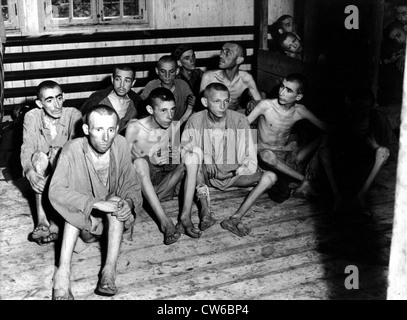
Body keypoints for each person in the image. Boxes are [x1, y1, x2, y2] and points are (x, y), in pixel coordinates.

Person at [49, 104, 143, 300]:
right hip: (82, 227)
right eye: (98, 130)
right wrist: (94, 204)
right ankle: (62, 273)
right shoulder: (72, 149)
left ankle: (109, 271)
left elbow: (131, 183)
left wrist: (128, 203)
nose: (105, 137)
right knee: (74, 209)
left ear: (117, 129)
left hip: (112, 227)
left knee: (117, 201)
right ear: (86, 130)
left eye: (110, 130)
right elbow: (56, 191)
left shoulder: (121, 144)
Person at [181, 83, 277, 237]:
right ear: (205, 102)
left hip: (233, 175)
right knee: (193, 159)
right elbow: (185, 151)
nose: (222, 106)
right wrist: (206, 157)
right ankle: (205, 212)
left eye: (226, 101)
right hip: (207, 175)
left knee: (271, 177)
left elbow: (250, 158)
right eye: (217, 101)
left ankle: (235, 218)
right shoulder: (195, 120)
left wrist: (233, 173)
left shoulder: (239, 120)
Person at [126, 87, 202, 243]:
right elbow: (123, 163)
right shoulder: (134, 127)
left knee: (192, 155)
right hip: (141, 190)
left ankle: (185, 217)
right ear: (150, 109)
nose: (169, 116)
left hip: (163, 187)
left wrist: (169, 155)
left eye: (172, 110)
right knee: (140, 162)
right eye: (163, 111)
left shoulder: (171, 126)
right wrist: (150, 158)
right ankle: (165, 222)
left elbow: (174, 156)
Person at [247, 74, 332, 205]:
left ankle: (293, 178)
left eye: (289, 90)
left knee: (320, 140)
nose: (282, 93)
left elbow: (327, 129)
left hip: (285, 152)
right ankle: (305, 180)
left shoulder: (300, 111)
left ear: (298, 97)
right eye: (282, 87)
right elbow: (243, 124)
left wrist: (315, 158)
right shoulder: (266, 105)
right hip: (263, 151)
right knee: (267, 156)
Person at [21, 80, 82, 246]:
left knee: (57, 152)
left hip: (67, 176)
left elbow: (76, 152)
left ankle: (56, 220)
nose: (56, 105)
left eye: (59, 98)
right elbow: (27, 147)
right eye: (49, 100)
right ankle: (42, 220)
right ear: (40, 103)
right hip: (43, 173)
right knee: (39, 157)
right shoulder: (32, 116)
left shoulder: (73, 114)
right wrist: (30, 172)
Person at [330, 87, 394, 217]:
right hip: (346, 164)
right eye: (351, 109)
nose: (355, 114)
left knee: (383, 152)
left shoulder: (379, 120)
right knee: (325, 153)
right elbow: (331, 143)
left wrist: (374, 145)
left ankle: (361, 197)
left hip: (369, 164)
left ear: (369, 108)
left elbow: (391, 150)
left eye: (361, 110)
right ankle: (338, 198)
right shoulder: (344, 118)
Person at [199, 42, 262, 115]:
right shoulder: (209, 77)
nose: (221, 56)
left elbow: (259, 104)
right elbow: (200, 107)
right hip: (212, 117)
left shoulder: (245, 78)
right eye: (221, 51)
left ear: (239, 60)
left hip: (233, 115)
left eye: (227, 52)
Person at [80, 64, 143, 135]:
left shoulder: (137, 102)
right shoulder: (97, 100)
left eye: (127, 81)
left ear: (133, 83)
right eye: (117, 79)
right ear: (112, 79)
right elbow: (81, 126)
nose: (121, 85)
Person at [141, 55, 195, 126]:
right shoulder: (152, 85)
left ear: (177, 71)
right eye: (163, 71)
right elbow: (142, 107)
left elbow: (192, 106)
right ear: (157, 71)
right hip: (157, 126)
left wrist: (193, 104)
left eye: (171, 71)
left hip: (179, 126)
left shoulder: (182, 85)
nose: (167, 75)